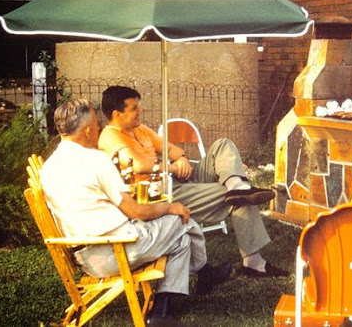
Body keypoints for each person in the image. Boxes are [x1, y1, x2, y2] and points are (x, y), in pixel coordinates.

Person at [39, 99, 231, 327]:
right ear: (88, 130)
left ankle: (167, 307)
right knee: (181, 222)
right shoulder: (96, 159)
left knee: (180, 239)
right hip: (117, 250)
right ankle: (198, 277)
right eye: (97, 124)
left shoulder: (49, 167)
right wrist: (170, 207)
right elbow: (137, 211)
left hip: (85, 255)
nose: (99, 129)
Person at [98, 86, 288, 277]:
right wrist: (172, 167)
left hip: (174, 180)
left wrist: (181, 159)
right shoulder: (110, 136)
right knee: (239, 197)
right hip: (159, 195)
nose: (140, 111)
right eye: (134, 108)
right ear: (117, 114)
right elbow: (138, 165)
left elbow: (172, 150)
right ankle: (253, 262)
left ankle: (235, 186)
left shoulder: (141, 130)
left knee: (222, 145)